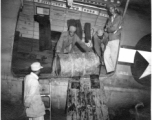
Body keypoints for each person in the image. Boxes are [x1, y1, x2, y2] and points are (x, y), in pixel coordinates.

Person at [104, 4, 122, 73]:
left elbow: (113, 27)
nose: (111, 10)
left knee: (114, 56)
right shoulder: (109, 18)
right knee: (106, 55)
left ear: (115, 9)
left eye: (112, 8)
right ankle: (110, 70)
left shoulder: (119, 17)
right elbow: (107, 27)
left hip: (115, 39)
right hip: (110, 39)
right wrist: (109, 29)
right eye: (109, 9)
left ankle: (114, 71)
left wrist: (108, 29)